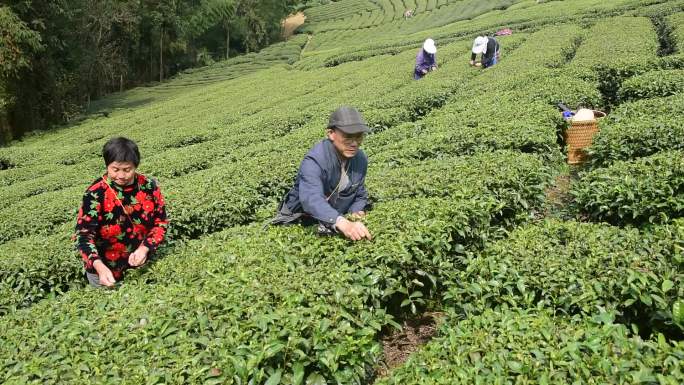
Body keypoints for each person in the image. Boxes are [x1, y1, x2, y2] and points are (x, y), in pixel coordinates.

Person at [75, 137, 169, 288]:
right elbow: (84, 236)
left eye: (127, 169)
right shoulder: (95, 193)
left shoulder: (149, 187)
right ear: (107, 166)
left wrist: (144, 248)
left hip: (141, 263)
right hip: (104, 271)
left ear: (135, 166)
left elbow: (160, 222)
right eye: (115, 169)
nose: (121, 175)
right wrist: (99, 267)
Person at [272, 106, 372, 241]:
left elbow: (359, 193)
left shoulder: (360, 159)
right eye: (348, 136)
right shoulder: (315, 160)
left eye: (359, 136)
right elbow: (311, 198)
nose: (354, 143)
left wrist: (356, 212)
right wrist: (343, 223)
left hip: (335, 217)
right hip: (302, 219)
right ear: (331, 133)